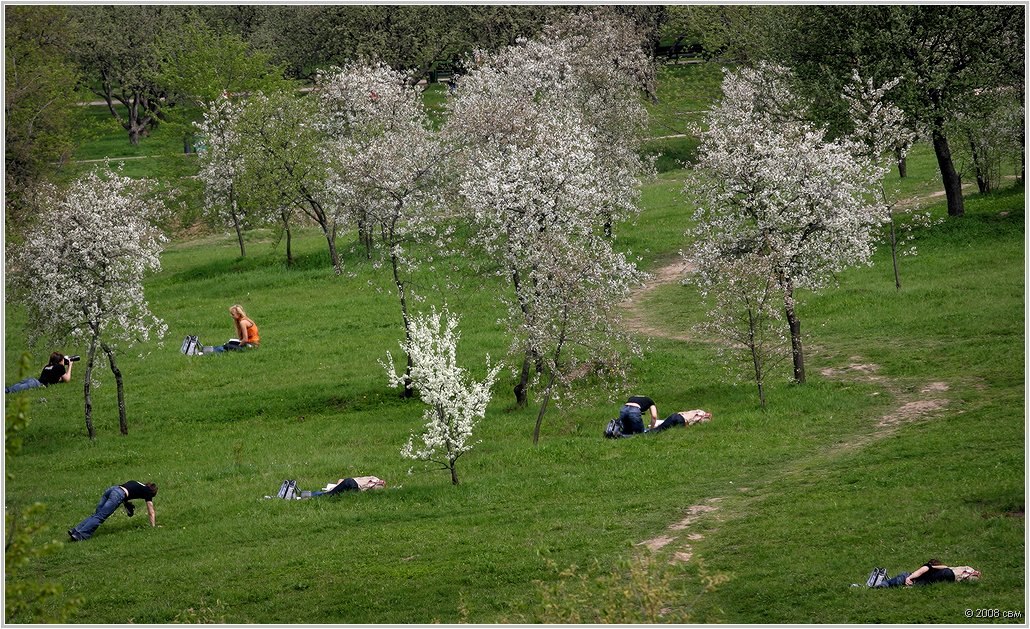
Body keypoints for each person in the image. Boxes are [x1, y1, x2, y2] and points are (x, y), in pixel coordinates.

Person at [68, 481, 158, 541]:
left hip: (112, 489)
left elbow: (127, 491)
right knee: (100, 517)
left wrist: (127, 505)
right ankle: (80, 535)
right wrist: (153, 527)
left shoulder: (138, 484)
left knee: (97, 514)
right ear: (152, 492)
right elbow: (151, 512)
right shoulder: (148, 492)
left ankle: (75, 530)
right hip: (117, 495)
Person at [875, 559, 981, 587]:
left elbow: (923, 571)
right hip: (906, 577)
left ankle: (874, 586)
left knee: (889, 584)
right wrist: (909, 578)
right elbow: (923, 571)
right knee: (888, 584)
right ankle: (874, 586)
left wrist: (909, 579)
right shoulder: (930, 569)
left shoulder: (932, 571)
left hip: (907, 577)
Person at [5, 352, 74, 394]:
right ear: (60, 361)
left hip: (33, 380)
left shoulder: (48, 366)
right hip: (37, 384)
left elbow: (54, 377)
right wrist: (70, 365)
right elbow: (67, 379)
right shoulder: (60, 367)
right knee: (11, 390)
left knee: (16, 386)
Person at [302, 476, 386, 498]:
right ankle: (308, 495)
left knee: (329, 494)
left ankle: (307, 495)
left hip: (353, 484)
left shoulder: (378, 485)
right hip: (351, 483)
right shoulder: (373, 478)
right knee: (329, 493)